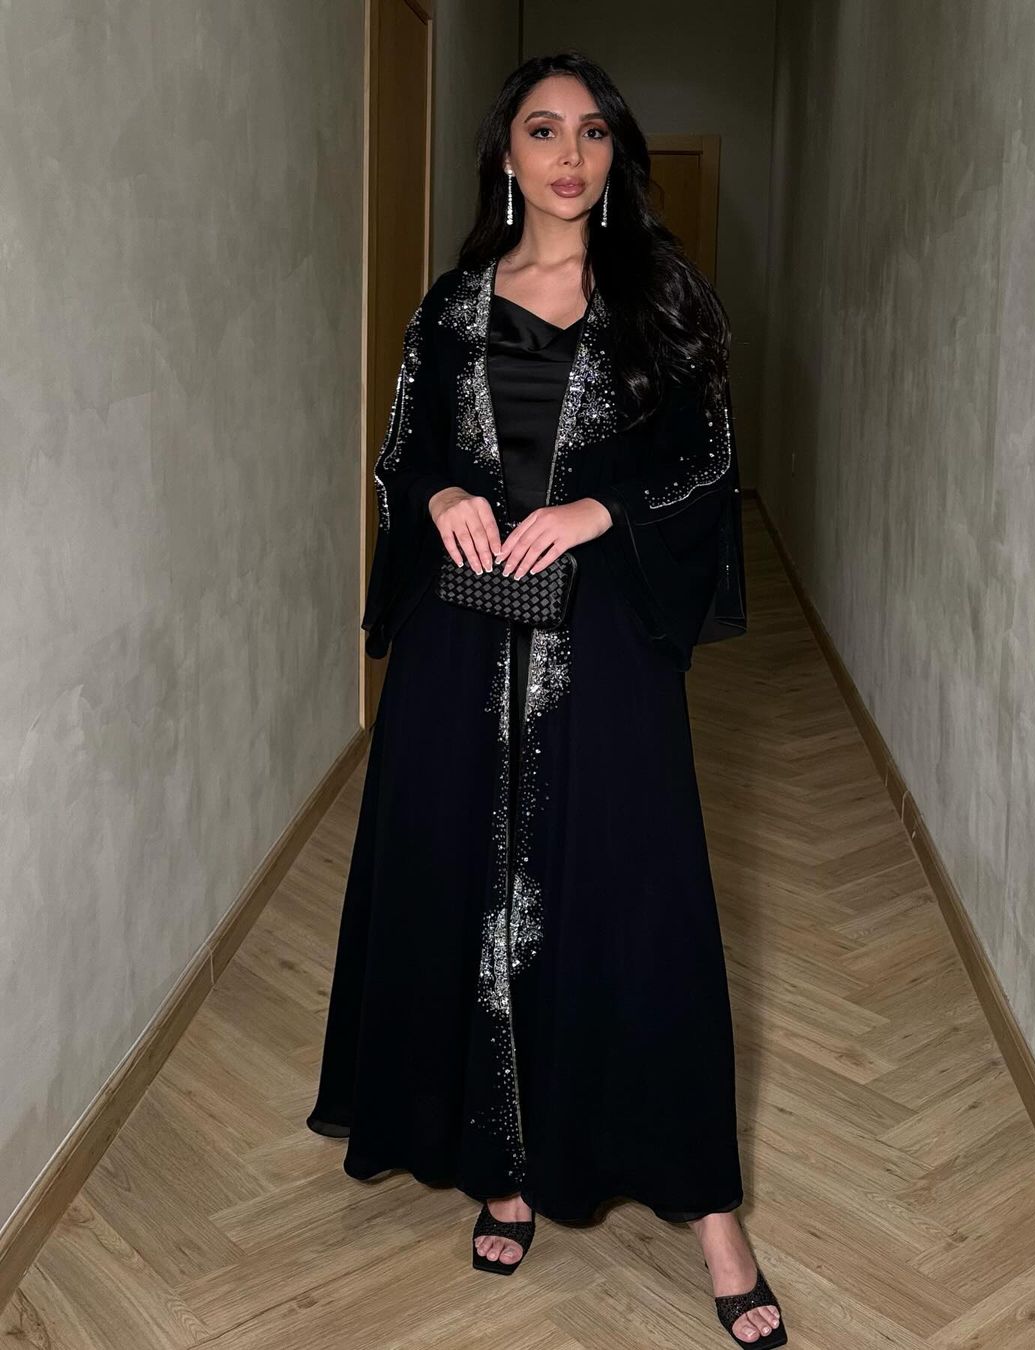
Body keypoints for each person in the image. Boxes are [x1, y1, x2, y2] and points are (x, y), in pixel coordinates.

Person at [306, 50, 786, 1348]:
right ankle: (504, 1165)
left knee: (642, 905)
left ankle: (714, 1217)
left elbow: (706, 463)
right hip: (463, 649)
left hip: (605, 648)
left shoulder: (660, 298)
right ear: (506, 157)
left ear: (615, 154)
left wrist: (595, 509)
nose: (568, 154)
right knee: (464, 886)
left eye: (591, 131)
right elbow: (405, 455)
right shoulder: (454, 307)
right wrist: (441, 495)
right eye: (541, 130)